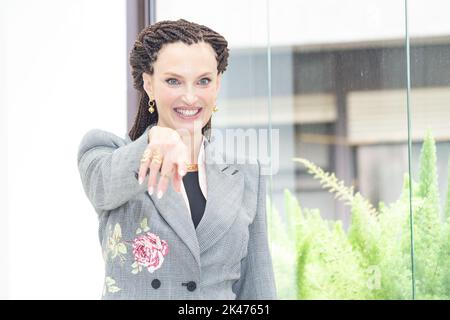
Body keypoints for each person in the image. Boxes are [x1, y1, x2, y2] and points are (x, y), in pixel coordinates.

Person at [77, 19, 276, 300]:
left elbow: (257, 289)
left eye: (203, 81)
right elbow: (102, 186)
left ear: (217, 84)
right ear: (148, 84)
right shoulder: (106, 151)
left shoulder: (246, 172)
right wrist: (152, 142)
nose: (190, 97)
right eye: (173, 81)